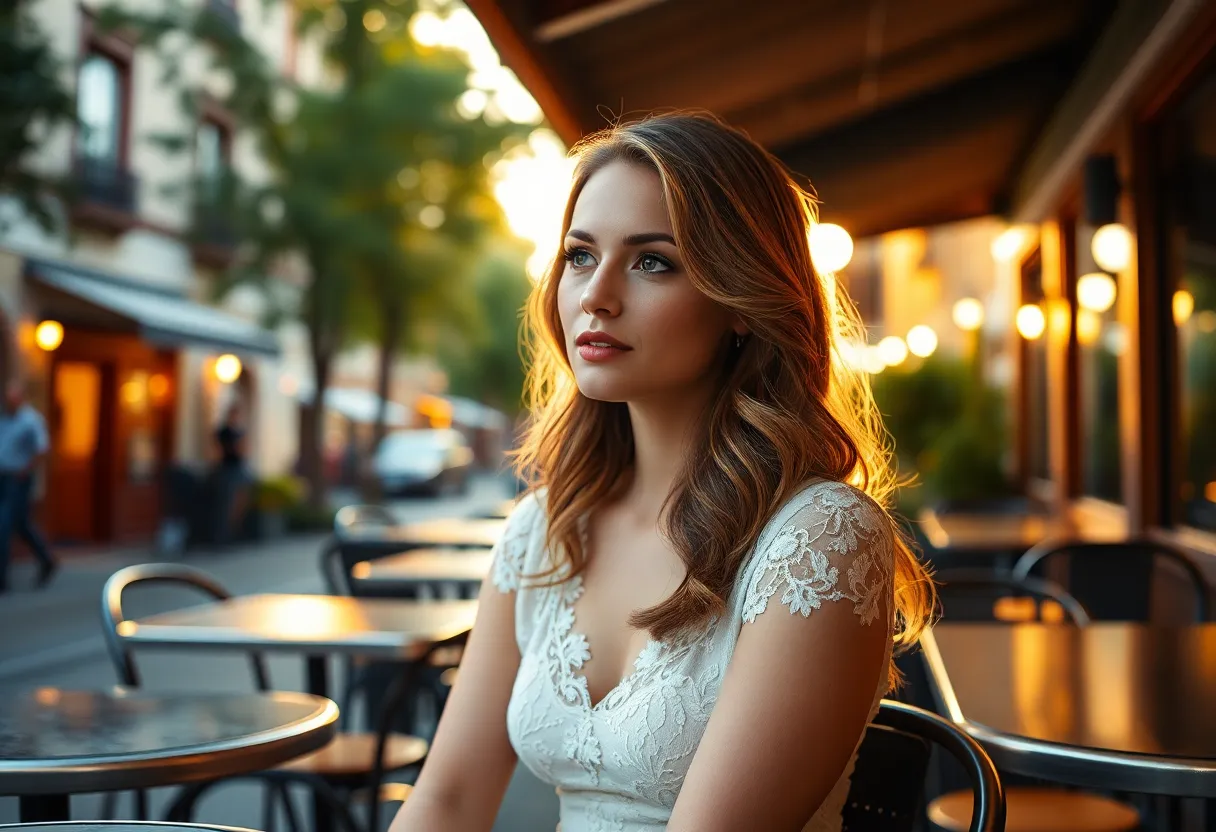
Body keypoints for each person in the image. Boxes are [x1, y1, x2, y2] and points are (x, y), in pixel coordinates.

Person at [389, 112, 936, 832]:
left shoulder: (819, 540)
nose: (596, 295)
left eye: (653, 261)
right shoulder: (542, 533)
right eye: (580, 256)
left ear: (741, 301)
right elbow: (447, 800)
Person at [0, 379, 57, 593]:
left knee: (4, 525)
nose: (8, 402)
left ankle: (2, 579)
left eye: (12, 398)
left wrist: (26, 469)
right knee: (20, 524)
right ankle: (46, 559)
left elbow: (42, 449)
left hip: (18, 478)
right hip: (3, 476)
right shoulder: (5, 419)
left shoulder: (31, 421)